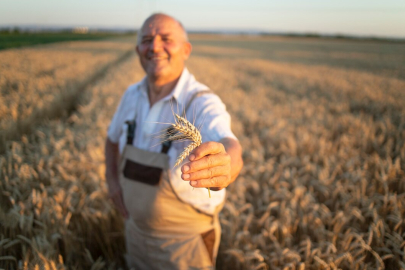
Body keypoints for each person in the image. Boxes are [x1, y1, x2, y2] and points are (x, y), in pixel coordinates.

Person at [105, 13, 243, 270]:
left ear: (186, 50)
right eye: (147, 40)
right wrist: (111, 179)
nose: (155, 47)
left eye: (166, 39)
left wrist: (226, 166)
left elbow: (230, 145)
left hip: (184, 246)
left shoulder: (200, 102)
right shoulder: (131, 95)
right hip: (134, 235)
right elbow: (112, 140)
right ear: (138, 50)